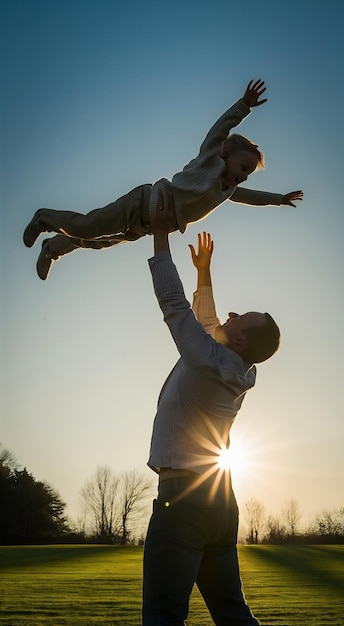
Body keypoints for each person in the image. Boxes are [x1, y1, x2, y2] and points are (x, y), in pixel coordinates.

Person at [143, 192, 280, 625]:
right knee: (232, 613)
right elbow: (208, 324)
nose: (233, 313)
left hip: (183, 503)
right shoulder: (230, 364)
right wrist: (205, 274)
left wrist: (160, 236)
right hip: (219, 504)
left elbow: (174, 307)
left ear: (241, 341)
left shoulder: (208, 359)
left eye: (243, 317)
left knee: (164, 616)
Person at [23, 78, 303, 279]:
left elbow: (249, 197)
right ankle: (43, 218)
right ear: (226, 153)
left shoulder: (226, 190)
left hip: (149, 226)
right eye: (243, 167)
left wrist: (278, 199)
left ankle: (52, 249)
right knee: (88, 226)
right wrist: (243, 106)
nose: (243, 176)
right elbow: (217, 130)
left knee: (97, 241)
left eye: (247, 174)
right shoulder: (211, 160)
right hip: (142, 203)